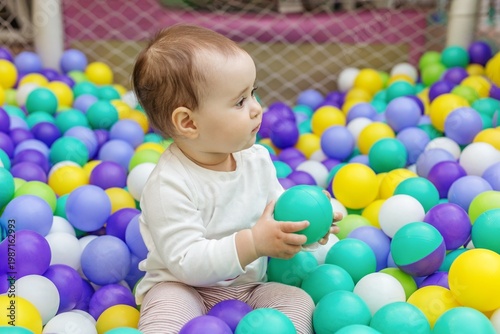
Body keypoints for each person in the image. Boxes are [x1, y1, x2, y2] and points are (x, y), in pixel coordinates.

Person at [131, 24, 341, 333]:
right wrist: (253, 243)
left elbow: (277, 216)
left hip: (249, 287)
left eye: (253, 93)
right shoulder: (169, 184)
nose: (257, 109)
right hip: (184, 287)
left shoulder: (256, 159)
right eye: (239, 101)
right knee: (166, 313)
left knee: (297, 302)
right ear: (188, 122)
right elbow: (187, 260)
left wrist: (305, 229)